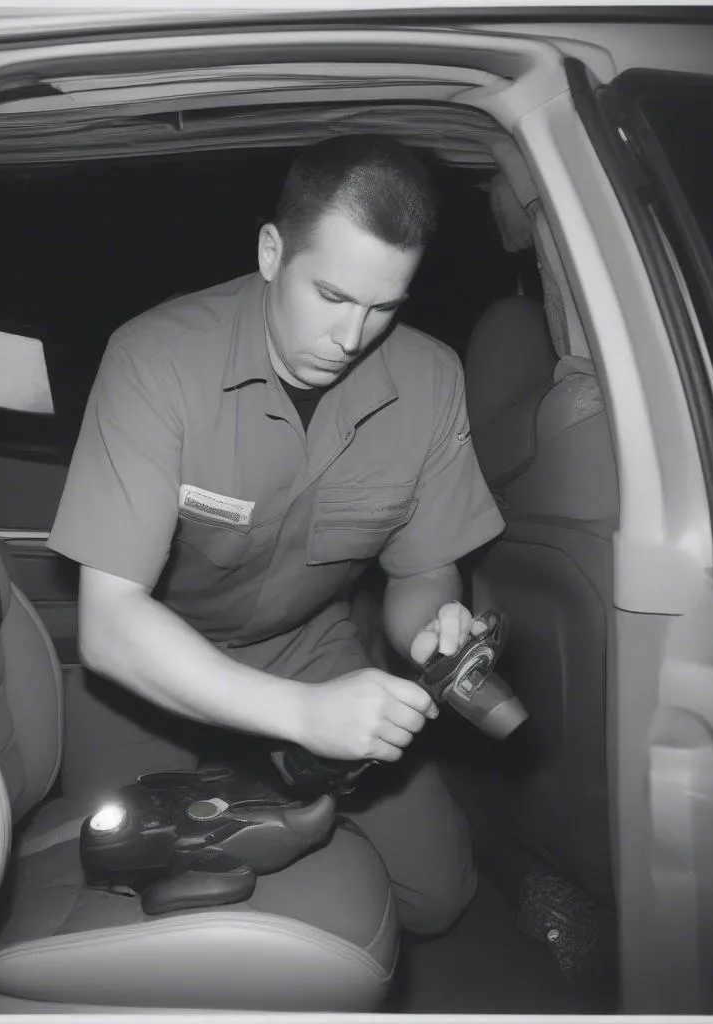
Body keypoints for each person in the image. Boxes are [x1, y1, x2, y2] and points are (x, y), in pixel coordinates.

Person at [47, 134, 506, 936]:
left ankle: (288, 834)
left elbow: (421, 573)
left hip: (302, 643)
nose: (353, 336)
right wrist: (298, 716)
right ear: (270, 252)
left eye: (384, 306)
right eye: (330, 295)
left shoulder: (431, 382)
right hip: (152, 665)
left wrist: (434, 633)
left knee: (439, 895)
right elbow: (113, 622)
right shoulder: (154, 359)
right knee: (107, 883)